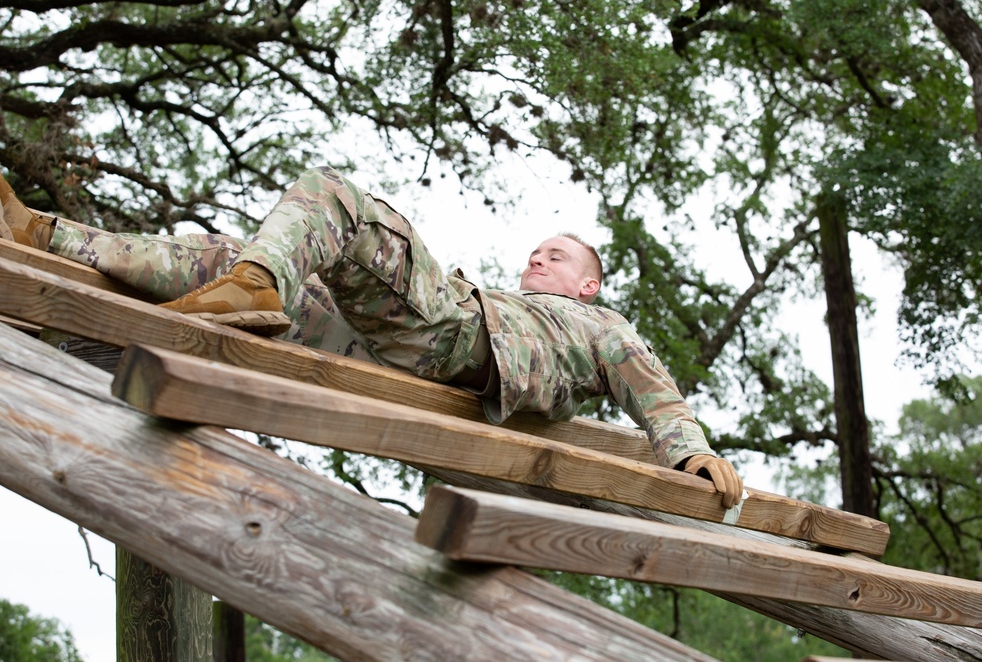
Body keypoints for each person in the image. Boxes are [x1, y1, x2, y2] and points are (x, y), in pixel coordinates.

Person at [1, 167, 744, 507]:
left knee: (337, 197)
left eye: (556, 256)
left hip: (459, 340)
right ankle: (46, 236)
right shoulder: (514, 296)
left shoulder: (599, 324)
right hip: (386, 344)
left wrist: (692, 451)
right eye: (534, 251)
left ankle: (258, 286)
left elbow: (653, 388)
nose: (535, 258)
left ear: (589, 283)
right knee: (231, 254)